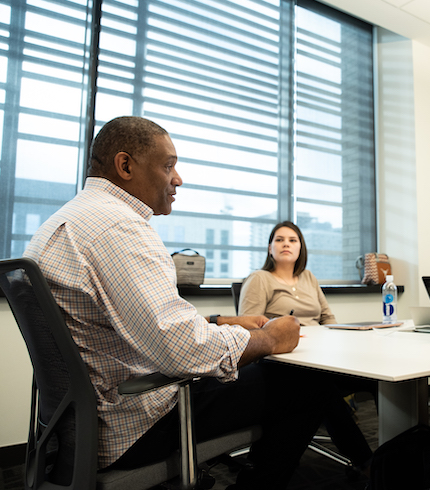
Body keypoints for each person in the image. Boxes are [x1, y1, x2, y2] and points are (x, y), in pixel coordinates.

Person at [24, 116, 331, 489]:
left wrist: (221, 323)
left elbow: (143, 321)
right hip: (136, 425)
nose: (178, 178)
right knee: (307, 381)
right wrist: (270, 339)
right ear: (125, 166)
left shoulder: (68, 220)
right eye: (168, 165)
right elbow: (180, 349)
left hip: (76, 427)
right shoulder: (120, 226)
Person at [239, 221, 375, 473]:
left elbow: (328, 317)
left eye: (292, 240)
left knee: (375, 376)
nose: (286, 244)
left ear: (301, 248)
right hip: (283, 363)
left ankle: (398, 448)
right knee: (320, 387)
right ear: (270, 248)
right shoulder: (260, 279)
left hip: (322, 354)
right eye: (279, 240)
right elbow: (249, 330)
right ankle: (365, 460)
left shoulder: (308, 277)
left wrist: (341, 339)